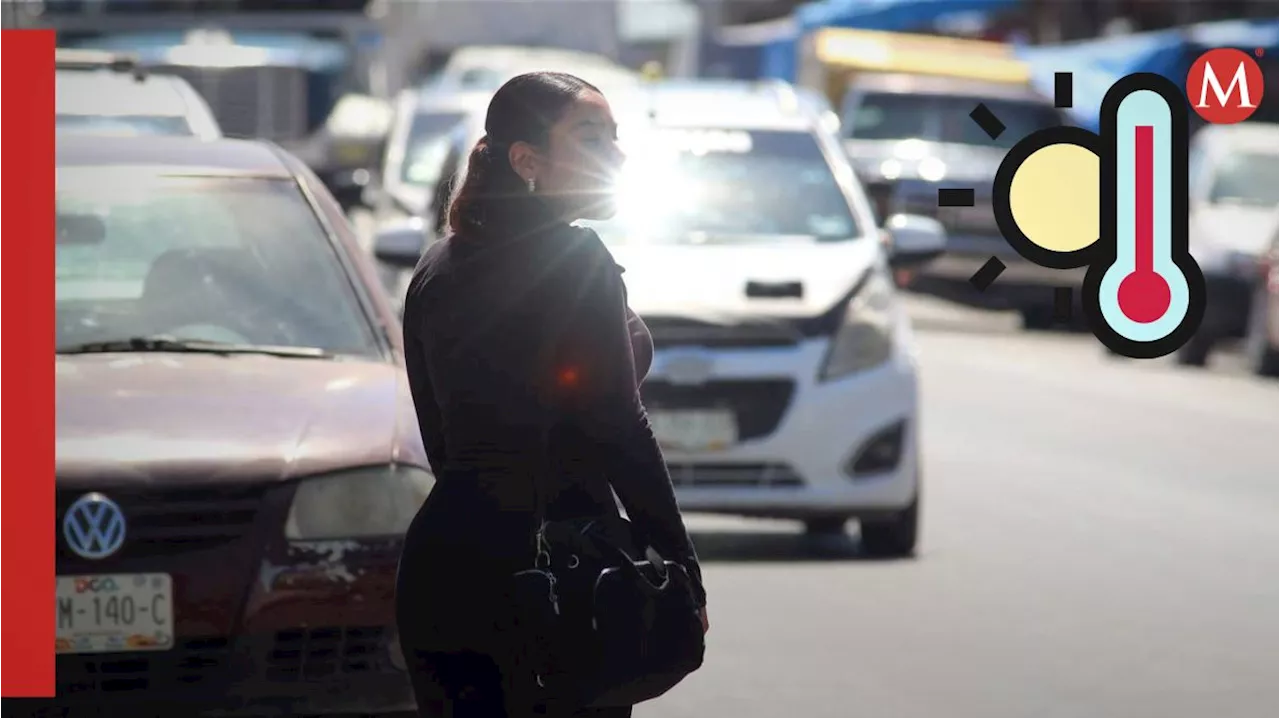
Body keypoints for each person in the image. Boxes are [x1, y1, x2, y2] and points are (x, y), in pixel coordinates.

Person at [395, 71, 710, 718]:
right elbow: (622, 428)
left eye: (616, 138)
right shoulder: (576, 261)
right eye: (592, 137)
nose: (617, 155)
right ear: (526, 160)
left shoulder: (437, 264)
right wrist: (681, 567)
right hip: (558, 578)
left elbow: (439, 434)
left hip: (442, 566)